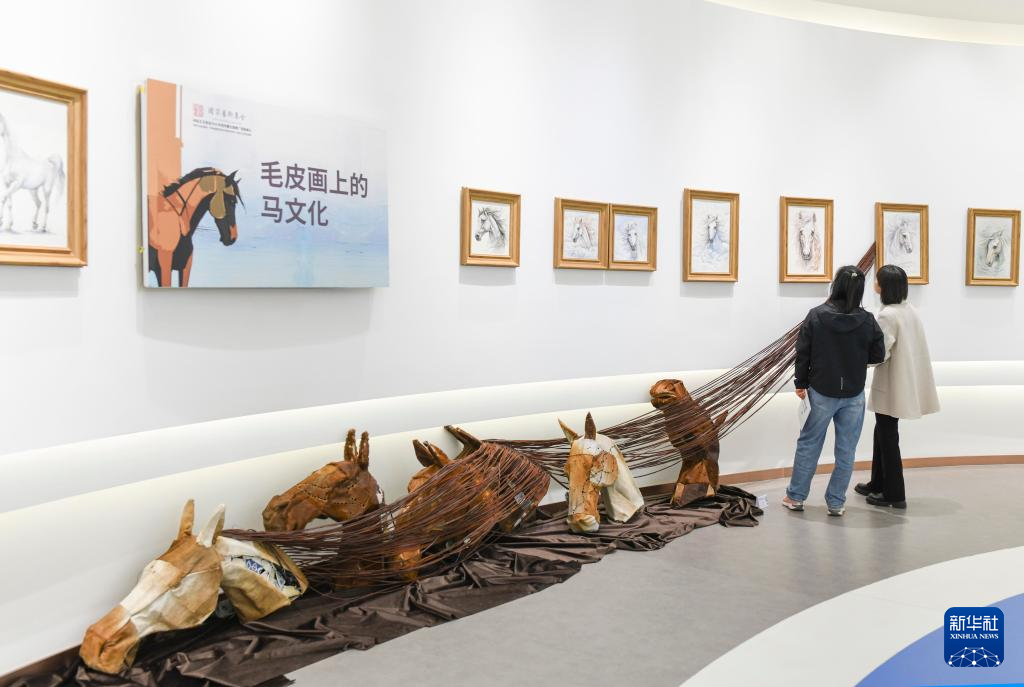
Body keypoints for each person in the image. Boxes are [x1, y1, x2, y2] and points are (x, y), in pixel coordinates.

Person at [783, 266, 885, 516]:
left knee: (809, 444)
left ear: (836, 285)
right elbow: (878, 354)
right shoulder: (867, 320)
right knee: (846, 450)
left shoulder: (816, 315)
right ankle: (836, 502)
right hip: (854, 393)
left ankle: (795, 497)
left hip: (821, 390)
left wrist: (800, 383)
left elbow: (803, 352)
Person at [854, 265, 939, 509]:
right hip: (903, 382)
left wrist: (858, 358)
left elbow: (880, 353)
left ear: (884, 287)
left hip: (893, 384)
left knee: (887, 437)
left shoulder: (887, 316)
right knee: (883, 433)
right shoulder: (909, 310)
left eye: (877, 280)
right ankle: (878, 483)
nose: (874, 283)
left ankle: (894, 494)